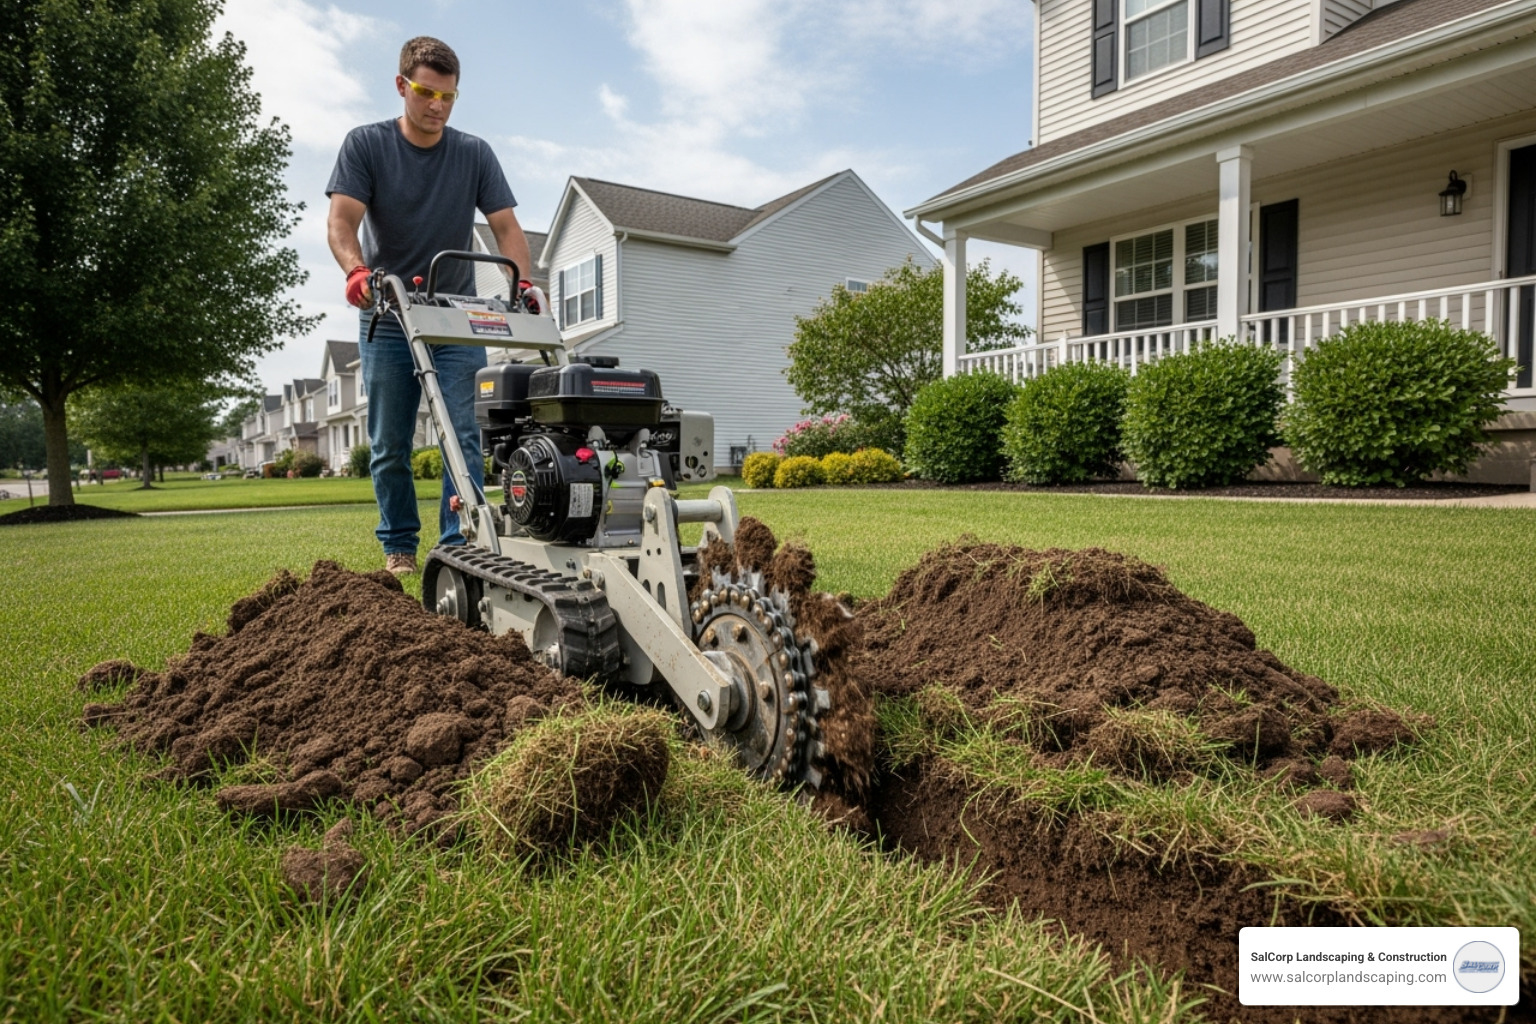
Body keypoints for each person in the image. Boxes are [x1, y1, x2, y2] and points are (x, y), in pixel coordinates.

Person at [325, 36, 532, 576]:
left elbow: (506, 228)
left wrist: (523, 285)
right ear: (402, 86)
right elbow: (342, 221)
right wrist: (355, 271)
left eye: (448, 97)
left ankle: (455, 546)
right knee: (390, 442)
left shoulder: (473, 153)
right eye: (426, 92)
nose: (437, 106)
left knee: (463, 435)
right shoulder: (366, 145)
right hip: (389, 312)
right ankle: (398, 549)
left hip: (457, 315)